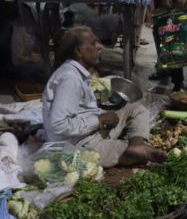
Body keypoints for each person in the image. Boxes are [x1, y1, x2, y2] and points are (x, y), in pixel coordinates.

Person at [42, 27, 168, 168]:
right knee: (131, 153)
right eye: (93, 43)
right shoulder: (69, 78)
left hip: (90, 132)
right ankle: (131, 150)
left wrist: (100, 110)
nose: (100, 46)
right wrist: (99, 120)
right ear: (79, 52)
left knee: (135, 108)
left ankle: (137, 144)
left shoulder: (76, 73)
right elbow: (57, 124)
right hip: (78, 146)